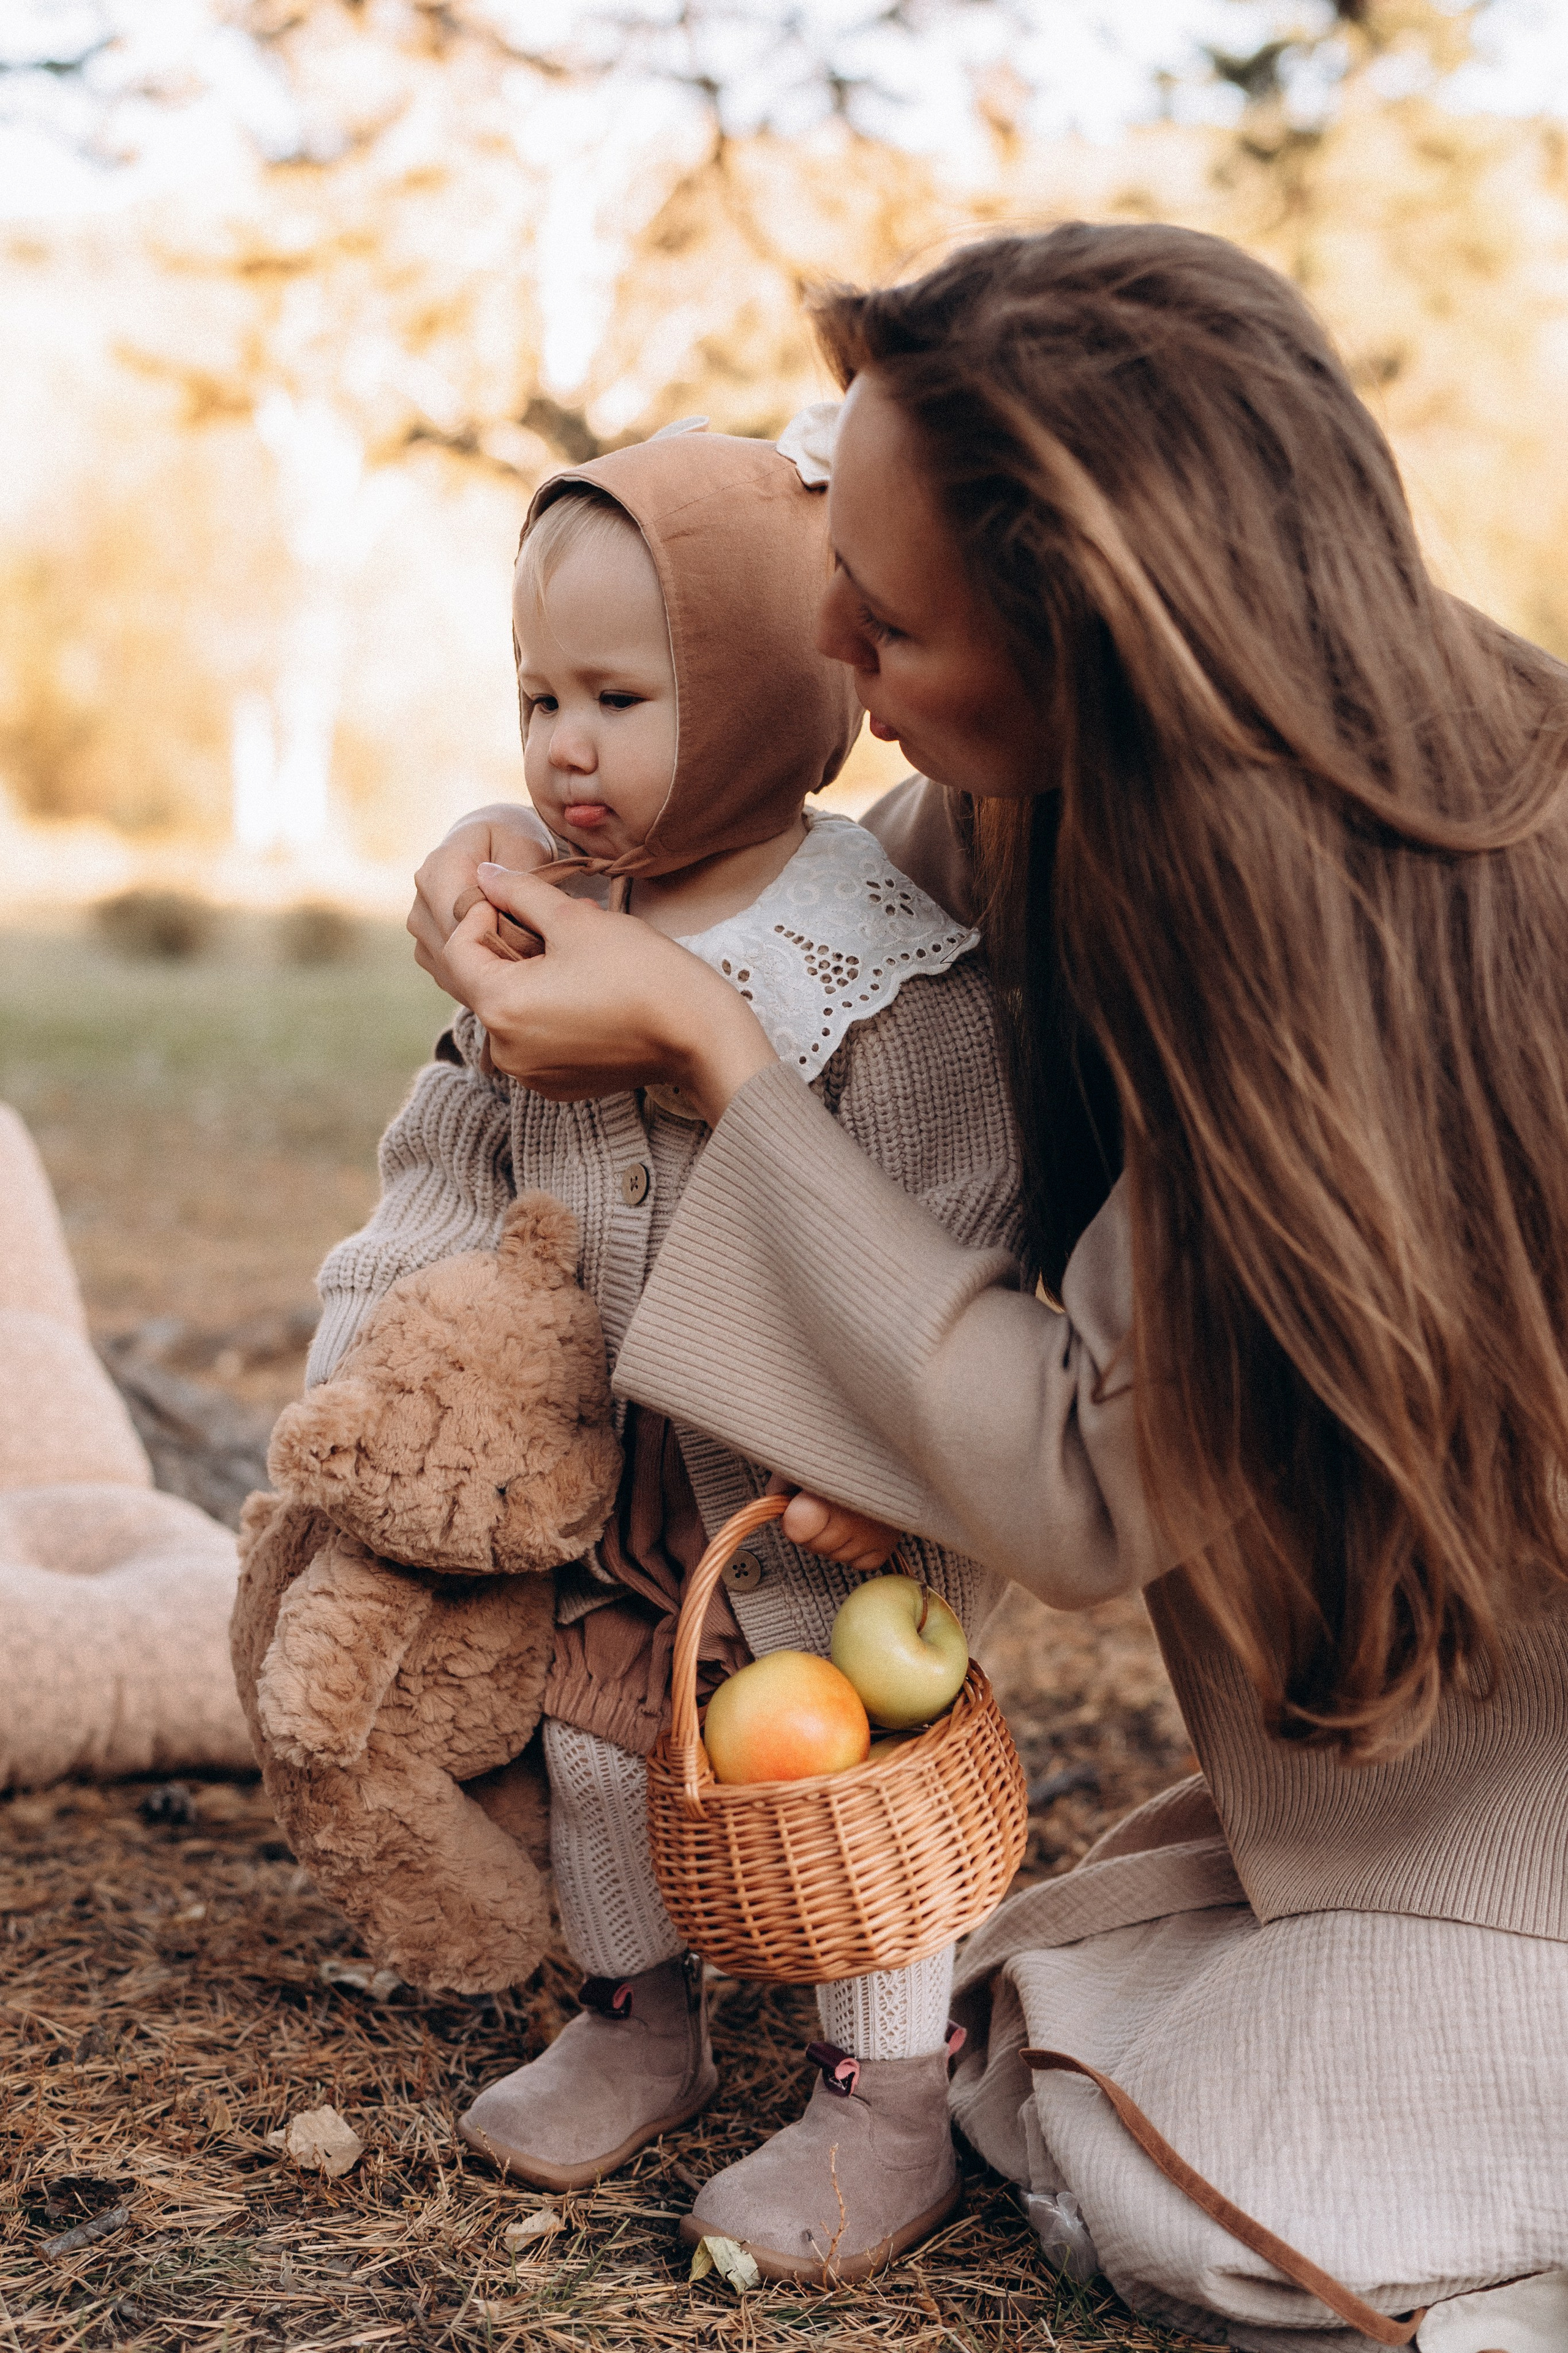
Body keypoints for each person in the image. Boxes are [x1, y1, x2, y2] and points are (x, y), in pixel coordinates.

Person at [412, 225, 1568, 2351]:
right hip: (1390, 1775)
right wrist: (536, 835)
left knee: (1175, 2179)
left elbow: (1071, 1476)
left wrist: (710, 1054)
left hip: (1525, 1793)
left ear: (1092, 649)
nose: (828, 646)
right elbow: (769, 868)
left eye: (891, 617)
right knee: (1046, 2026)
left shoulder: (1357, 968)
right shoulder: (1066, 796)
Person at [311, 416, 1030, 2278]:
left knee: (834, 1771)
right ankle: (639, 2010)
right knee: (602, 1726)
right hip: (622, 1455)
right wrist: (373, 1355)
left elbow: (954, 1213)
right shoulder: (546, 932)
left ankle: (888, 2091)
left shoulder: (872, 953)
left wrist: (889, 1470)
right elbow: (450, 1155)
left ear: (772, 693)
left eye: (621, 696)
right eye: (538, 691)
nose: (561, 743)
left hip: (811, 1482)